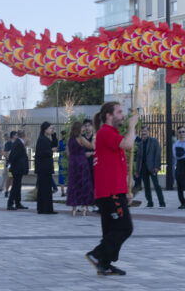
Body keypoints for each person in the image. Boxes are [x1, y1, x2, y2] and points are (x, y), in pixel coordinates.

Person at [85, 102, 138, 276]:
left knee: (111, 230)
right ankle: (97, 254)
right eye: (120, 112)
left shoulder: (111, 134)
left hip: (114, 190)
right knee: (124, 228)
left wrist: (126, 190)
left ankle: (105, 264)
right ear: (109, 115)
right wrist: (132, 126)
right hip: (110, 191)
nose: (123, 115)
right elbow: (128, 144)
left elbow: (118, 165)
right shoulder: (106, 132)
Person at [67, 121, 94, 216]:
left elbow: (68, 154)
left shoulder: (69, 139)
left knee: (74, 185)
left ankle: (73, 209)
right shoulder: (81, 139)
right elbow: (91, 146)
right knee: (84, 184)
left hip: (73, 163)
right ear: (79, 128)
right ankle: (84, 209)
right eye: (82, 127)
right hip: (82, 163)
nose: (83, 128)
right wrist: (94, 138)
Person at [134, 126, 165, 208]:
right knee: (146, 186)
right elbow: (138, 158)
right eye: (142, 131)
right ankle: (150, 202)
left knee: (156, 185)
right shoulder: (140, 143)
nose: (143, 133)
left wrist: (157, 166)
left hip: (152, 167)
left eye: (145, 131)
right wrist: (137, 171)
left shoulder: (154, 141)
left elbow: (157, 154)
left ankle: (162, 202)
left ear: (148, 132)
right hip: (143, 167)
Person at [35, 122, 57, 214]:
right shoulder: (41, 139)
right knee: (44, 189)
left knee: (46, 189)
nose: (51, 130)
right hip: (43, 168)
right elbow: (41, 153)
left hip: (45, 168)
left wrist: (54, 134)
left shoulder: (45, 139)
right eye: (50, 128)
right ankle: (45, 209)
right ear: (45, 129)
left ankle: (46, 208)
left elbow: (54, 145)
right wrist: (50, 151)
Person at [7, 130, 30, 210]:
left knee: (17, 185)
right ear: (23, 136)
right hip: (17, 168)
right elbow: (14, 156)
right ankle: (10, 204)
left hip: (17, 168)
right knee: (15, 186)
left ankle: (18, 203)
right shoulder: (18, 144)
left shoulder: (18, 143)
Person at [2, 131, 16, 197]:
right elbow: (5, 153)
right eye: (16, 135)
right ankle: (6, 191)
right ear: (13, 136)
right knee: (10, 177)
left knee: (14, 178)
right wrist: (9, 158)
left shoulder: (17, 143)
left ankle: (13, 191)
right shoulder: (8, 143)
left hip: (16, 164)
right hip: (9, 164)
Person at [57, 131, 67, 197]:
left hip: (61, 159)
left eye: (62, 135)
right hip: (66, 160)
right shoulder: (68, 142)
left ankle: (62, 192)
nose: (61, 136)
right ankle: (64, 192)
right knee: (67, 175)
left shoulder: (60, 142)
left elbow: (58, 149)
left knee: (61, 175)